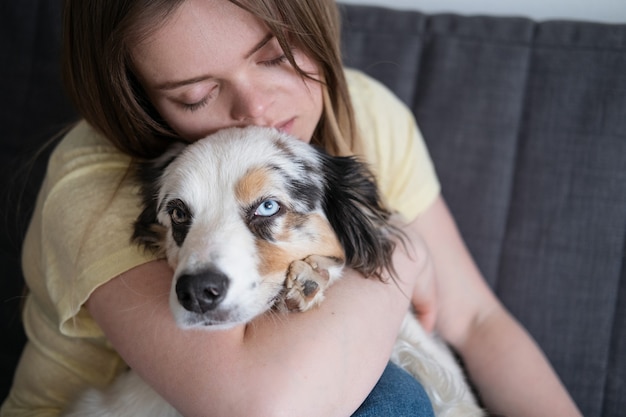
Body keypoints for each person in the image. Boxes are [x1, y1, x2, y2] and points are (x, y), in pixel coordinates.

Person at [1, 0, 582, 416]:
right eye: (195, 95)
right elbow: (267, 405)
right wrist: (402, 251)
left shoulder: (368, 117)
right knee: (391, 398)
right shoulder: (100, 184)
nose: (255, 109)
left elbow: (476, 321)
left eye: (276, 56)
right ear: (137, 103)